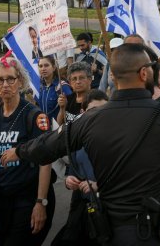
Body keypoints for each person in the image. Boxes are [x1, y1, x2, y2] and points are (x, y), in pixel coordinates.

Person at [4, 43, 160, 245]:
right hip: (154, 229)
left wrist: (19, 151)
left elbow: (48, 145)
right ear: (144, 73)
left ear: (113, 76)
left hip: (112, 230)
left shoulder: (90, 119)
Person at [0, 56, 55, 245]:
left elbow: (45, 161)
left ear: (21, 81)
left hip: (28, 197)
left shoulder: (34, 116)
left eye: (11, 79)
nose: (5, 84)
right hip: (3, 196)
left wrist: (41, 203)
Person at [50, 89, 109, 245]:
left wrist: (99, 186)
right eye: (92, 111)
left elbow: (129, 176)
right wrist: (69, 180)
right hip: (84, 207)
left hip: (109, 210)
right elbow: (73, 168)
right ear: (83, 112)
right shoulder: (77, 138)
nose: (98, 115)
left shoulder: (118, 139)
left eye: (103, 110)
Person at [38, 56, 67, 124]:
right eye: (40, 66)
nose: (43, 69)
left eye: (46, 65)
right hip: (44, 127)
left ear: (54, 68)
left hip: (58, 129)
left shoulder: (63, 86)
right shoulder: (42, 87)